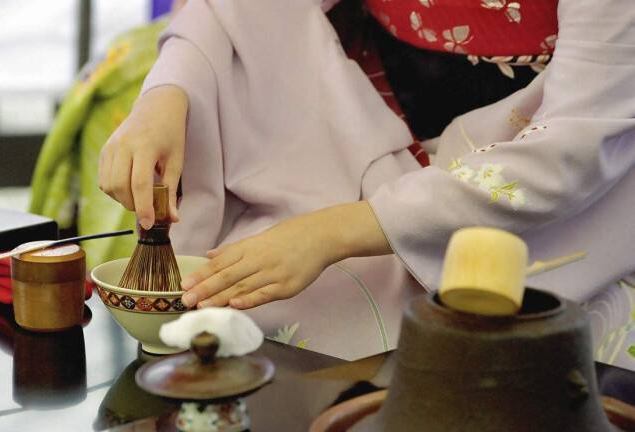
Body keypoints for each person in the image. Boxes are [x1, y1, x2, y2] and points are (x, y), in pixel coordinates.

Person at [98, 0, 635, 361]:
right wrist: (167, 93)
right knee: (254, 320)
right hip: (378, 129)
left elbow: (576, 142)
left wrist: (331, 232)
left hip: (555, 173)